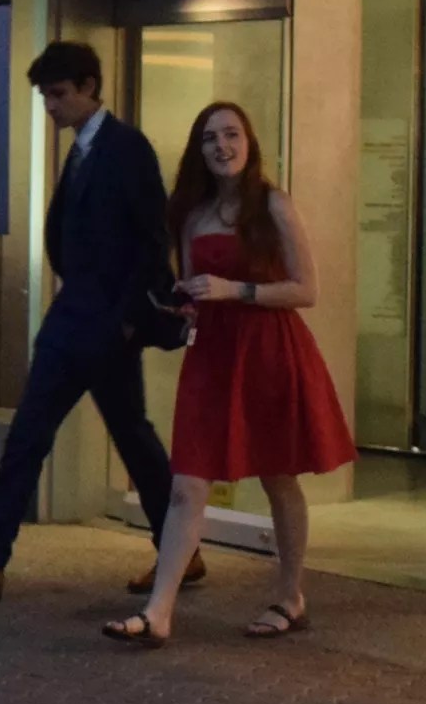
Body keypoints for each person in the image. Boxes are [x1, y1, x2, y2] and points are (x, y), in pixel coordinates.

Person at [0, 42, 188, 601]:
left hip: (104, 323)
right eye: (45, 95)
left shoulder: (125, 148)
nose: (50, 105)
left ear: (89, 87)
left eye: (58, 94)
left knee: (128, 436)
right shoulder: (83, 150)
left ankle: (179, 551)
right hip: (74, 317)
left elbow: (152, 241)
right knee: (33, 434)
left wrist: (125, 322)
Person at [105, 101, 355, 647]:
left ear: (249, 142)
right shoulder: (190, 213)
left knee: (278, 477)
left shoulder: (274, 204)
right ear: (198, 150)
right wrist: (183, 304)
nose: (222, 146)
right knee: (188, 481)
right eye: (210, 138)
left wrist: (234, 290)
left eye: (231, 134)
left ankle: (289, 597)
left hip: (269, 351)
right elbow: (197, 288)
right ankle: (158, 613)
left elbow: (307, 289)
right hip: (213, 354)